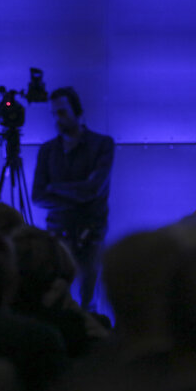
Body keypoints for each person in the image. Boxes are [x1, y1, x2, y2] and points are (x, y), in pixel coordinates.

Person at [31, 87, 114, 312]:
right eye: (55, 113)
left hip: (91, 232)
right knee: (57, 297)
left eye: (63, 113)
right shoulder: (48, 150)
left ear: (77, 112)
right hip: (59, 233)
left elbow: (93, 189)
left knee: (89, 299)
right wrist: (80, 196)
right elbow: (38, 196)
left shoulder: (102, 144)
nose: (57, 119)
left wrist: (55, 188)